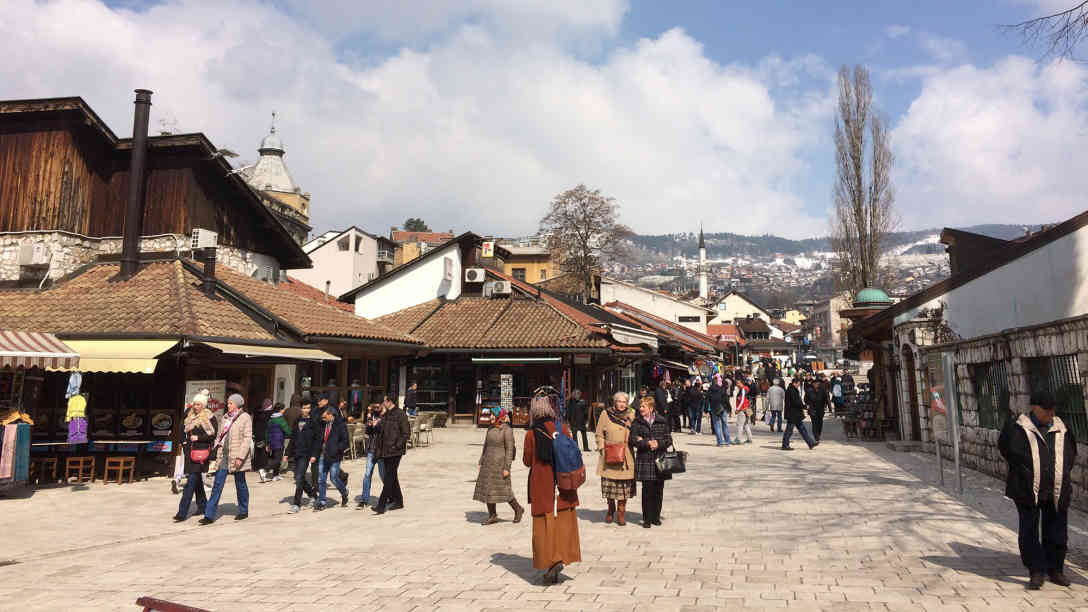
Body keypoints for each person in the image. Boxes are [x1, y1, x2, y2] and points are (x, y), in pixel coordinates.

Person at [998, 391, 1078, 590]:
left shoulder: (1062, 426)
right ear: (1035, 407)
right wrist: (1024, 470)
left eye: (1053, 410)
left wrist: (1062, 470)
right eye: (1046, 410)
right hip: (1026, 489)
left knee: (1057, 531)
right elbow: (1006, 449)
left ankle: (1056, 569)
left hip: (1057, 489)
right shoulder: (1016, 427)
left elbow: (1071, 452)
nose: (1050, 414)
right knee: (1029, 531)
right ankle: (1036, 570)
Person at [523, 401, 580, 584]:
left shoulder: (531, 433)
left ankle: (551, 562)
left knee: (544, 525)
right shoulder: (562, 428)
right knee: (563, 523)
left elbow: (527, 460)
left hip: (543, 485)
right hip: (564, 483)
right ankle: (562, 556)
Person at [201, 394, 253, 524]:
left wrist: (241, 457)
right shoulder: (225, 418)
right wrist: (216, 446)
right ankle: (209, 515)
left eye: (230, 403)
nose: (228, 405)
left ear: (237, 404)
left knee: (240, 483)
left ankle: (243, 510)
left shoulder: (245, 417)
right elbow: (219, 435)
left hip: (237, 456)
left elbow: (247, 439)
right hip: (223, 455)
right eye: (228, 403)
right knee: (217, 484)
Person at [474, 407, 525, 524]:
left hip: (500, 464)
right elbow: (485, 445)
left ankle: (518, 509)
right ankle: (492, 515)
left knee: (504, 489)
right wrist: (481, 460)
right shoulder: (490, 428)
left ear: (499, 416)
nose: (491, 417)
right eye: (490, 414)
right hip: (488, 463)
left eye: (493, 415)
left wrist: (507, 467)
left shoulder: (507, 430)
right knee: (488, 489)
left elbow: (510, 450)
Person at [174, 392, 216, 522]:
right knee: (196, 480)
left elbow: (212, 435)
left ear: (203, 405)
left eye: (198, 404)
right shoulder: (189, 415)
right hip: (190, 452)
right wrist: (184, 443)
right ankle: (203, 505)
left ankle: (182, 512)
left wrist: (198, 437)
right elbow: (182, 430)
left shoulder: (209, 417)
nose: (196, 406)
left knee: (190, 482)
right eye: (195, 404)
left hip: (201, 453)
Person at [630, 396, 671, 529]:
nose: (640, 409)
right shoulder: (637, 422)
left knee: (659, 490)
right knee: (647, 490)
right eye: (640, 406)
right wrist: (646, 442)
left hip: (660, 459)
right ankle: (647, 518)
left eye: (643, 406)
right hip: (645, 459)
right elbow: (632, 440)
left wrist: (658, 443)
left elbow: (668, 440)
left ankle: (656, 517)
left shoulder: (662, 421)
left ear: (651, 408)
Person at [596, 392, 636, 526]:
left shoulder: (632, 414)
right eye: (619, 401)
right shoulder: (605, 414)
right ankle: (610, 508)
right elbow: (599, 433)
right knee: (610, 486)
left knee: (624, 488)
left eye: (624, 402)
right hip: (609, 454)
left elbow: (638, 431)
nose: (621, 404)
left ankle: (621, 512)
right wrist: (602, 448)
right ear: (614, 402)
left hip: (626, 455)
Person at [373, 398, 410, 514]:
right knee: (392, 476)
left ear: (390, 402)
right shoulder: (386, 414)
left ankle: (381, 505)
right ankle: (399, 501)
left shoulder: (400, 414)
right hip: (385, 450)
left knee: (389, 477)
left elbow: (406, 433)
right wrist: (375, 425)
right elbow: (382, 432)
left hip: (395, 451)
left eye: (384, 401)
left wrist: (397, 446)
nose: (383, 403)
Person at [315, 403, 350, 510]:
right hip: (323, 455)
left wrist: (337, 450)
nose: (323, 418)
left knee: (334, 478)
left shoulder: (340, 425)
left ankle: (344, 492)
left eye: (325, 416)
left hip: (334, 456)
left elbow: (345, 441)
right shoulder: (323, 424)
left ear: (331, 415)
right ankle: (322, 501)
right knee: (321, 479)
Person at [287, 399, 318, 513]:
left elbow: (317, 440)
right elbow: (293, 438)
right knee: (299, 478)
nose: (306, 410)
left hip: (307, 453)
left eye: (308, 408)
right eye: (304, 408)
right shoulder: (297, 421)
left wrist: (314, 454)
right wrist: (287, 453)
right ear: (301, 409)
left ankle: (296, 504)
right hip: (297, 453)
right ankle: (313, 495)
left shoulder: (313, 421)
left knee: (299, 478)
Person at [357, 403, 386, 508]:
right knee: (367, 475)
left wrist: (378, 424)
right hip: (371, 450)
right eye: (374, 407)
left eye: (378, 407)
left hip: (381, 451)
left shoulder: (386, 417)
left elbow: (385, 432)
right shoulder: (372, 416)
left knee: (383, 476)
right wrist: (369, 424)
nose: (376, 409)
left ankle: (389, 495)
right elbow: (368, 432)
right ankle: (364, 499)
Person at [782, 378, 816, 451]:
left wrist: (803, 406)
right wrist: (804, 406)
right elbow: (796, 402)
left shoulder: (792, 389)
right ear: (795, 383)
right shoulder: (791, 390)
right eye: (798, 384)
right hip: (792, 414)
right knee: (789, 430)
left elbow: (797, 402)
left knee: (802, 429)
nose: (799, 385)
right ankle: (785, 445)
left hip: (796, 414)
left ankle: (811, 443)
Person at [266, 403, 289, 481]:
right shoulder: (281, 419)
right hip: (279, 442)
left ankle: (275, 475)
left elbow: (267, 432)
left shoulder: (271, 419)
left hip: (271, 443)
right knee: (277, 459)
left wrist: (267, 443)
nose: (284, 411)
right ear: (280, 410)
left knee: (275, 458)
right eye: (283, 409)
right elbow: (287, 430)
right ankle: (265, 469)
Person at [253, 398, 273, 483]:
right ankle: (263, 467)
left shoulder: (257, 413)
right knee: (265, 451)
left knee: (258, 450)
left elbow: (254, 424)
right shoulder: (270, 414)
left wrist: (254, 432)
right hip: (265, 435)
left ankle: (257, 466)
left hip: (258, 435)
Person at [709, 377, 731, 447]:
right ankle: (727, 441)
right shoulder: (721, 389)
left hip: (714, 409)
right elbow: (726, 399)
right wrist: (729, 408)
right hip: (722, 408)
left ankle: (720, 442)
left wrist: (706, 410)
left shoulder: (710, 390)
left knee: (717, 426)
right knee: (725, 425)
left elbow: (707, 400)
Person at [732, 378, 752, 444]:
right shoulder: (745, 389)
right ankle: (749, 439)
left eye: (738, 383)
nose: (737, 384)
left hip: (743, 409)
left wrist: (738, 409)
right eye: (736, 383)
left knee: (740, 425)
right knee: (746, 424)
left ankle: (738, 439)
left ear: (742, 383)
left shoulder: (743, 389)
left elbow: (742, 400)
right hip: (747, 408)